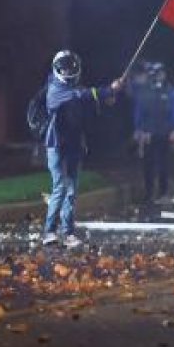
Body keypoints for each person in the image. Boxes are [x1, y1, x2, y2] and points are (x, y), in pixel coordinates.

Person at [42, 50, 124, 248]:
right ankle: (49, 232)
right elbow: (82, 95)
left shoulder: (74, 88)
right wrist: (108, 89)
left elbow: (87, 102)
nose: (69, 71)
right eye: (66, 67)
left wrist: (107, 98)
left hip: (74, 145)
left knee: (71, 191)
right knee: (60, 187)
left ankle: (68, 233)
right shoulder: (55, 88)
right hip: (57, 145)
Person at [133, 62, 174, 202]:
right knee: (148, 164)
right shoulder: (144, 91)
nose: (161, 76)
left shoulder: (169, 90)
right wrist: (139, 129)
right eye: (158, 73)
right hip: (148, 134)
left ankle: (163, 192)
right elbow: (139, 112)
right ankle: (149, 193)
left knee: (164, 164)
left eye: (162, 73)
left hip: (165, 132)